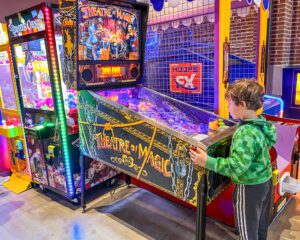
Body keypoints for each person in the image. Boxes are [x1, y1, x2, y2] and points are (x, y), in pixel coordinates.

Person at [190, 79, 276, 240]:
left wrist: (206, 161)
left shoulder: (245, 132)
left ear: (242, 105)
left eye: (230, 104)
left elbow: (237, 167)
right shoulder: (260, 124)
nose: (229, 108)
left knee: (247, 232)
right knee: (259, 229)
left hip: (249, 188)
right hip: (265, 182)